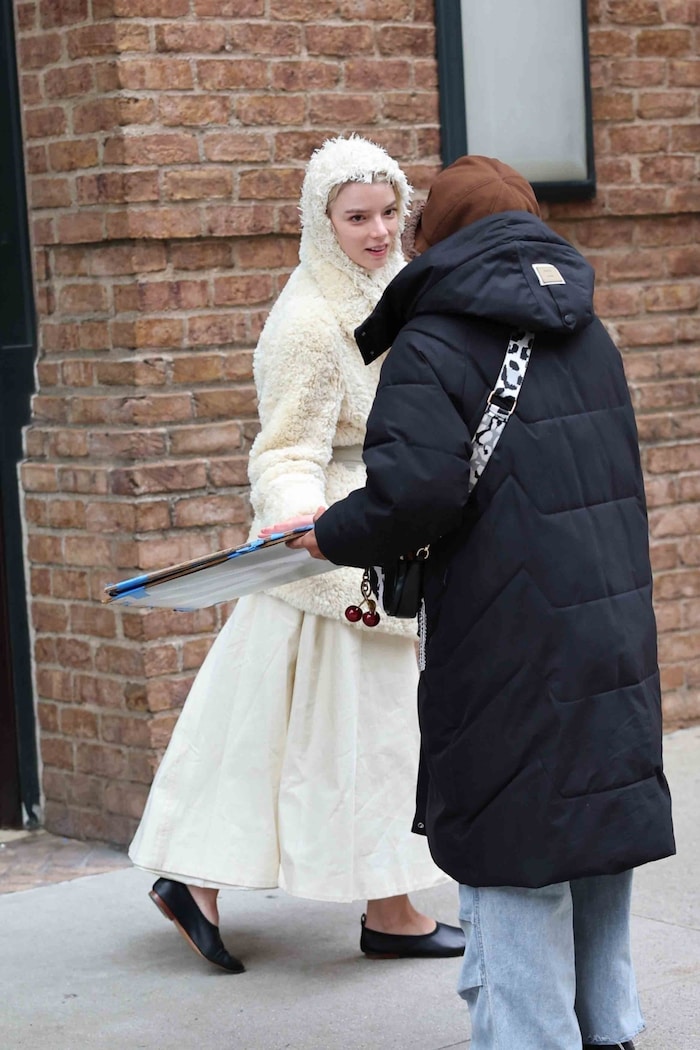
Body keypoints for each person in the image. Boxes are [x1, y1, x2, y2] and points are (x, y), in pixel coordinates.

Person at [280, 155, 676, 1049]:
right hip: (609, 631)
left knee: (511, 855)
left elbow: (416, 494)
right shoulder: (590, 329)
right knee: (593, 839)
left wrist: (331, 531)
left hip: (507, 638)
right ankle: (609, 1032)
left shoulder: (433, 341)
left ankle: (528, 1037)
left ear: (434, 239)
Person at [128, 136, 464, 974]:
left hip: (375, 531)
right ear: (324, 222)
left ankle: (198, 879)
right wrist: (323, 550)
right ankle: (386, 911)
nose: (380, 230)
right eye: (358, 217)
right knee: (372, 738)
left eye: (391, 212)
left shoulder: (391, 286)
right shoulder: (310, 321)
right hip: (340, 549)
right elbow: (284, 456)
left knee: (260, 732)